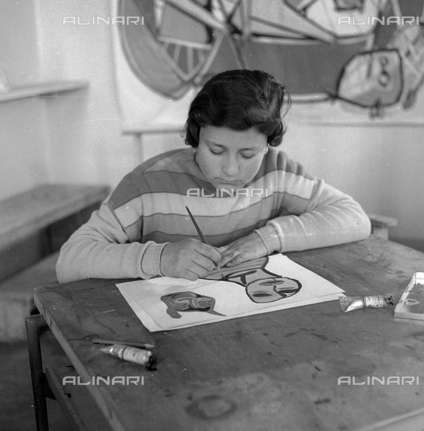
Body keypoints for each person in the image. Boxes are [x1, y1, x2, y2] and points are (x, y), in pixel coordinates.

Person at [56, 69, 371, 283]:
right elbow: (70, 261)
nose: (231, 170)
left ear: (268, 144)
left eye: (248, 154)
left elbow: (356, 219)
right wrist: (160, 258)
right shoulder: (147, 185)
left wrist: (268, 237)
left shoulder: (277, 171)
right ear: (196, 136)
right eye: (216, 150)